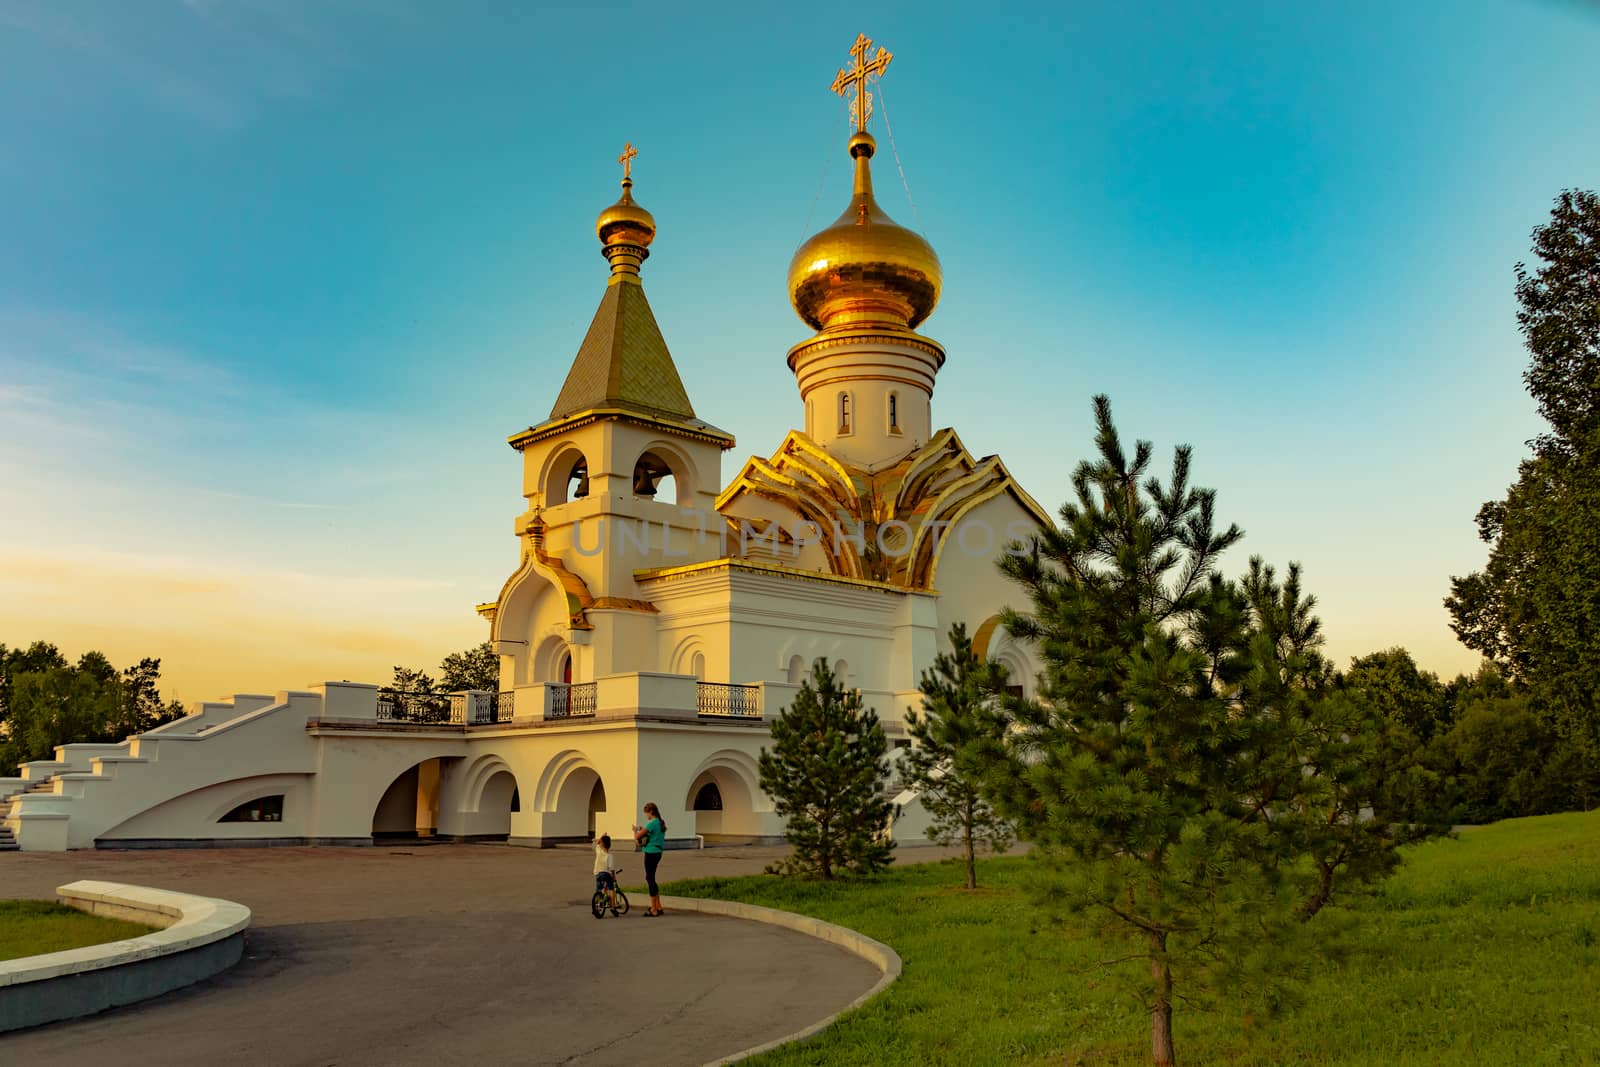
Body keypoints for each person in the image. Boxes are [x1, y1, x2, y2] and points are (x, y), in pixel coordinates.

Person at [632, 802, 666, 917]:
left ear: (651, 812)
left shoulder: (652, 823)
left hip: (650, 852)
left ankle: (653, 909)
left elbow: (637, 837)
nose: (646, 816)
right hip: (658, 852)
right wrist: (642, 829)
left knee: (649, 878)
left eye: (646, 813)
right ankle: (658, 906)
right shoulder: (660, 822)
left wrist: (635, 831)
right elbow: (652, 833)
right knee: (652, 878)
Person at [593, 833, 620, 916]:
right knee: (611, 888)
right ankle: (612, 907)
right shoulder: (610, 856)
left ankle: (596, 908)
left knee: (599, 889)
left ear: (601, 844)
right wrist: (614, 877)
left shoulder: (599, 851)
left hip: (597, 873)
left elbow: (597, 843)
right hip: (606, 873)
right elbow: (611, 869)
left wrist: (601, 836)